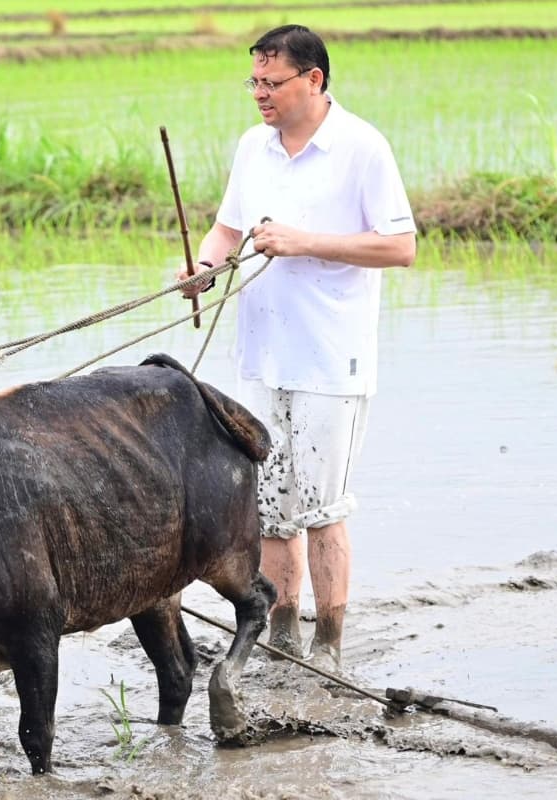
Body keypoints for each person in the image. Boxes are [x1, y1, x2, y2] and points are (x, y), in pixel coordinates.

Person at [179, 24, 416, 672]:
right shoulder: (253, 148)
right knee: (271, 513)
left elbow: (400, 246)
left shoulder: (362, 148)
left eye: (271, 82)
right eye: (253, 81)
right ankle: (283, 638)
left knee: (322, 510)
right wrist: (205, 265)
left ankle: (330, 648)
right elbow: (229, 226)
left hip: (329, 362)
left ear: (313, 80)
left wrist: (304, 240)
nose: (259, 93)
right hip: (260, 357)